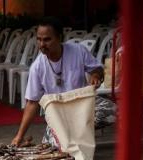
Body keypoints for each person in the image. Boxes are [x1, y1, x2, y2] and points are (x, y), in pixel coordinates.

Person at [11, 17, 105, 147]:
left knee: (110, 111)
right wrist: (19, 136)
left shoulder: (78, 51)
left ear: (59, 38)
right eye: (39, 39)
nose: (42, 44)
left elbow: (98, 68)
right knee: (51, 149)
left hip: (83, 108)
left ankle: (79, 133)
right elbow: (32, 103)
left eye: (47, 39)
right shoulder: (37, 67)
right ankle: (72, 134)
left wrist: (95, 75)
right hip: (59, 115)